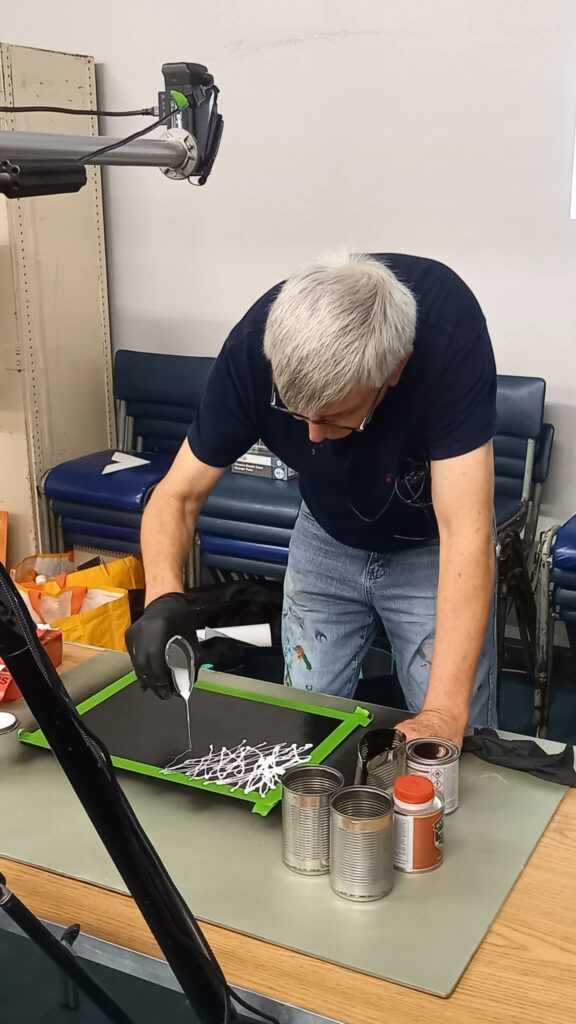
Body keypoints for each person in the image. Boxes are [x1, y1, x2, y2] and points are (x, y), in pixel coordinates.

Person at [126, 252, 497, 748]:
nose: (314, 438)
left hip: (432, 550)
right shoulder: (253, 349)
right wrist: (163, 598)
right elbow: (176, 495)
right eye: (296, 414)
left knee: (450, 743)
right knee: (301, 729)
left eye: (336, 418)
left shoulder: (448, 335)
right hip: (324, 535)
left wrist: (443, 713)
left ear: (395, 369)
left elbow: (467, 531)